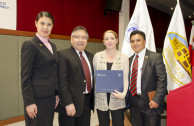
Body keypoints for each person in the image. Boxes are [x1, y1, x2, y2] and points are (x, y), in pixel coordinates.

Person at [21, 11, 59, 126]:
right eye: (42, 23)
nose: (45, 27)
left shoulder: (52, 46)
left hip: (50, 97)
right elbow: (25, 76)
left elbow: (54, 71)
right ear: (36, 23)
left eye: (49, 24)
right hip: (37, 99)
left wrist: (56, 94)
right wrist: (29, 102)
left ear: (52, 26)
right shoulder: (30, 45)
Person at [126, 30, 167, 126]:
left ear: (144, 41)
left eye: (138, 40)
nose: (135, 43)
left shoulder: (155, 57)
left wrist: (157, 99)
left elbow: (162, 80)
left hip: (151, 103)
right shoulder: (129, 60)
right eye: (132, 41)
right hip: (134, 103)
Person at [57, 26, 94, 126]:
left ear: (87, 40)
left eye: (83, 37)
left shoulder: (91, 56)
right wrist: (68, 103)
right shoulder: (63, 55)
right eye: (77, 37)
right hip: (70, 103)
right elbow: (62, 82)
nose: (80, 40)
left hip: (86, 102)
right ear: (71, 39)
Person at [93, 30, 129, 126]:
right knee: (103, 123)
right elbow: (95, 76)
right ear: (103, 42)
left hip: (118, 97)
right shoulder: (97, 56)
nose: (109, 41)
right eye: (106, 38)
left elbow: (125, 79)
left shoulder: (124, 57)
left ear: (117, 40)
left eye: (112, 38)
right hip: (101, 97)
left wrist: (124, 94)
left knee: (118, 123)